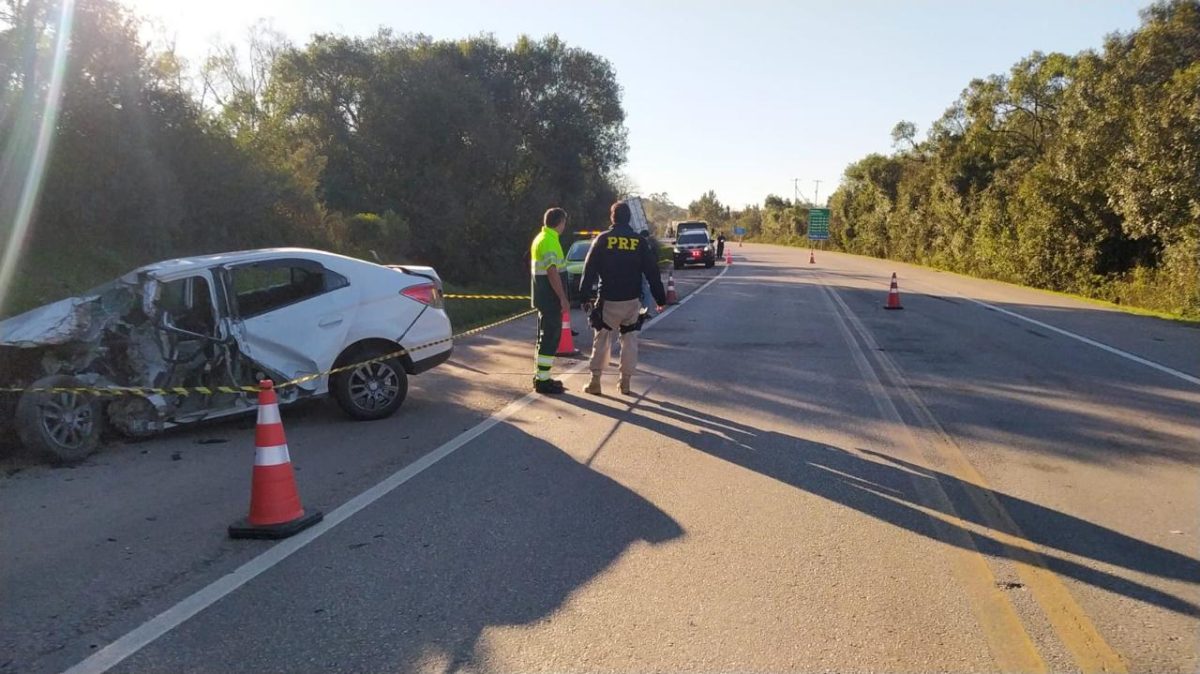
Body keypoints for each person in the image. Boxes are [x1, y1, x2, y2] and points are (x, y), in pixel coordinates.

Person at [580, 202, 667, 396]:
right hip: (632, 301)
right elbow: (652, 272)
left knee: (602, 339)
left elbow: (589, 270)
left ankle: (595, 382)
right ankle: (625, 382)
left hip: (608, 301)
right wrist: (660, 299)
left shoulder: (602, 239)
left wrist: (584, 296)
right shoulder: (639, 242)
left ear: (612, 217)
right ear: (628, 219)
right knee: (630, 340)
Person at [530, 207, 571, 394]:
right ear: (559, 222)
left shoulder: (543, 238)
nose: (565, 226)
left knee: (543, 338)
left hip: (543, 297)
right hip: (550, 299)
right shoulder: (548, 241)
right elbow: (552, 271)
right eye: (564, 222)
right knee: (550, 338)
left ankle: (541, 376)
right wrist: (563, 298)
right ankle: (543, 381)